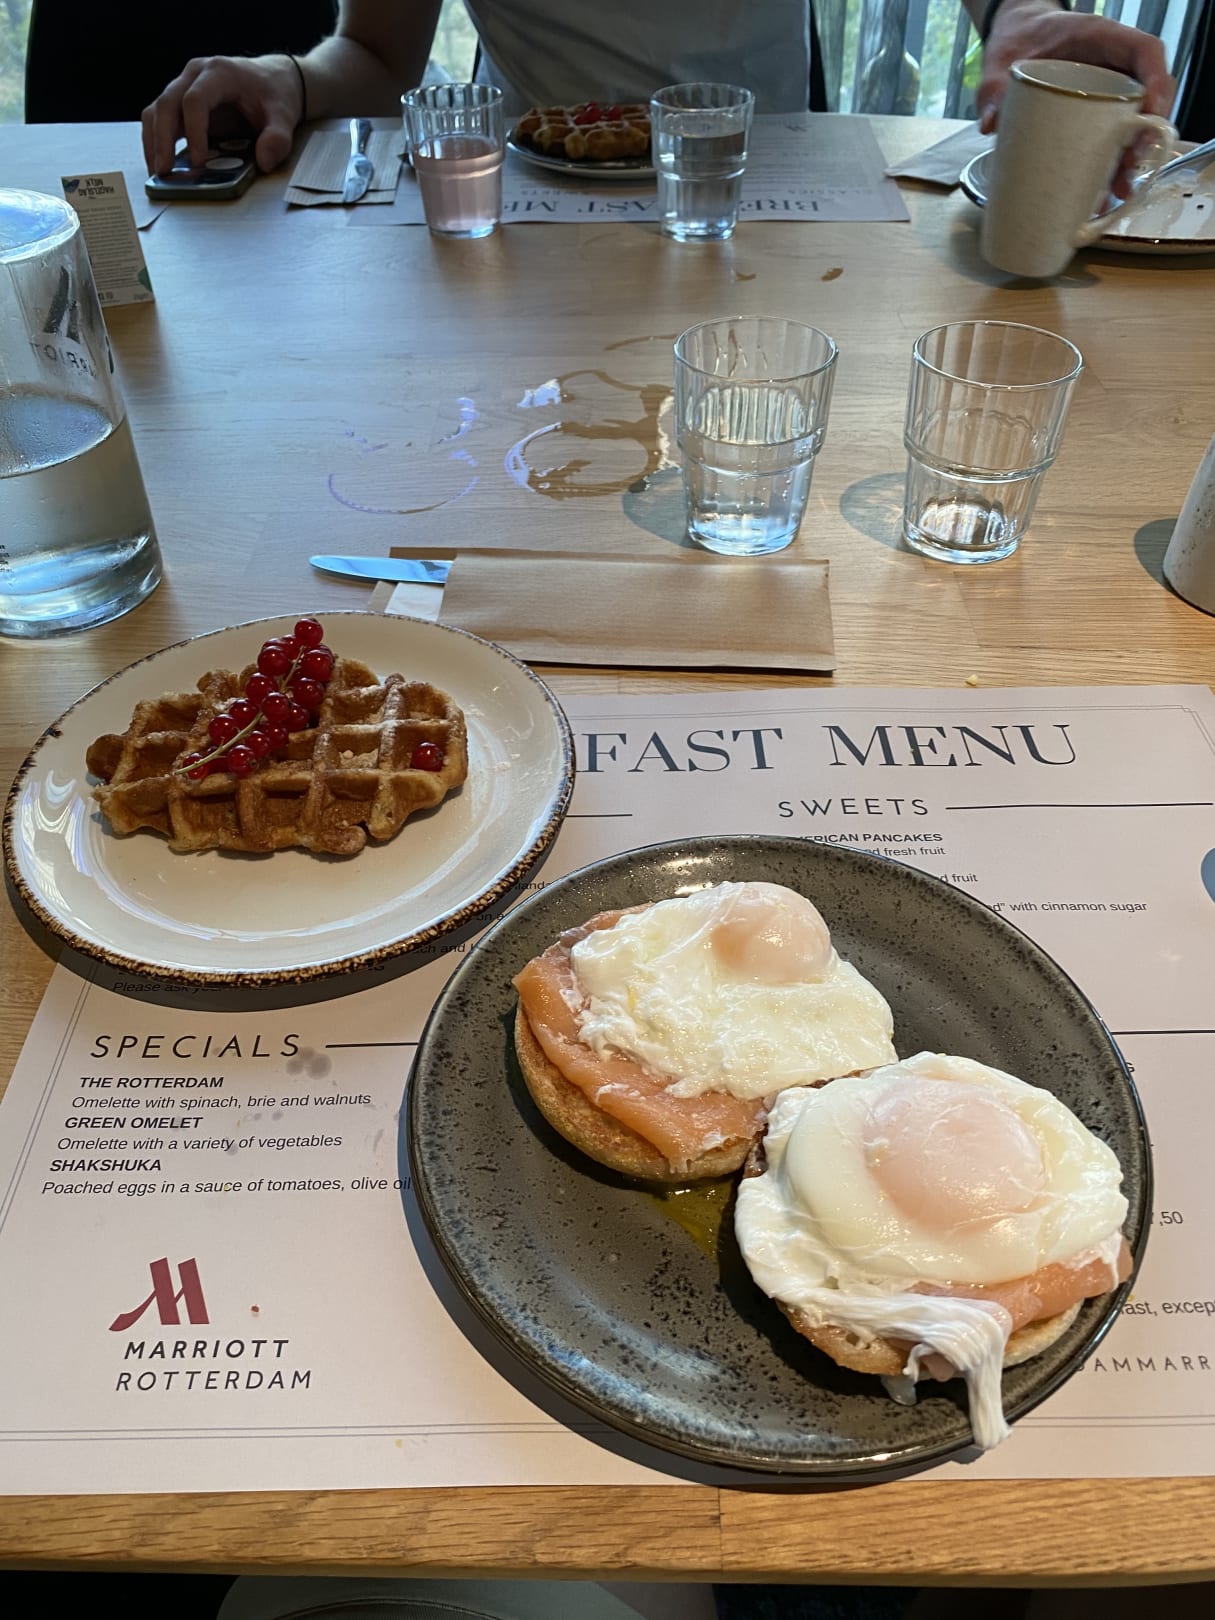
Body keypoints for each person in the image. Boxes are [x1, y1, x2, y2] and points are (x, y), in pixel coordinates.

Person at [141, 0, 1176, 179]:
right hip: (523, 221)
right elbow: (375, 57)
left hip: (762, 201)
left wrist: (1021, 13)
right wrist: (288, 75)